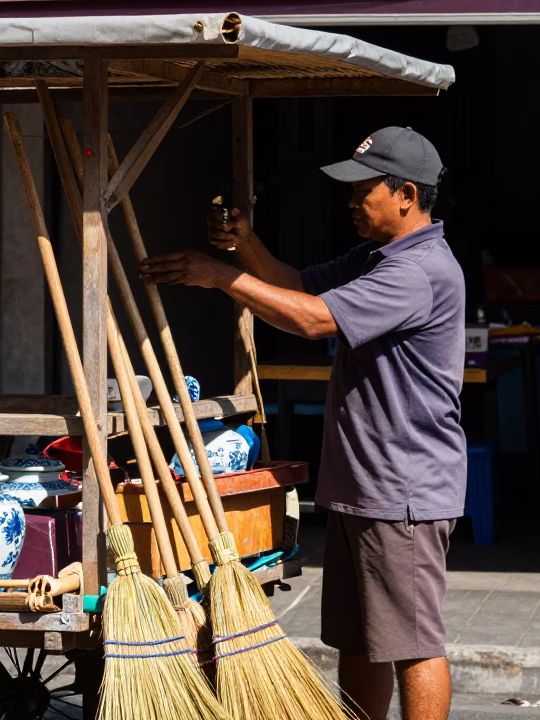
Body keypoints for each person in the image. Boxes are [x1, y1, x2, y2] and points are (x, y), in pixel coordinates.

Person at [141, 126, 462, 720]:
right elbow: (298, 286)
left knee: (414, 643)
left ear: (407, 194)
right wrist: (246, 244)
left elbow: (314, 320)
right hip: (365, 485)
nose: (351, 202)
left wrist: (221, 276)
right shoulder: (377, 256)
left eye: (363, 190)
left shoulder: (417, 271)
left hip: (404, 490)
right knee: (362, 638)